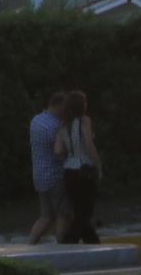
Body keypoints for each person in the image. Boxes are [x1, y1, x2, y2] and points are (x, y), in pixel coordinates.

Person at [56, 89, 103, 245]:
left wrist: (70, 151)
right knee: (86, 211)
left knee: (79, 210)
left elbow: (58, 150)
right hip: (85, 169)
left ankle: (92, 241)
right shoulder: (84, 121)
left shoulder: (64, 125)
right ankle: (69, 241)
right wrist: (98, 164)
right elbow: (89, 144)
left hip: (69, 170)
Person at [27, 89, 68, 243]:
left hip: (39, 176)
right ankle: (62, 244)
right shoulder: (56, 126)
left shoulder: (36, 120)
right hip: (55, 176)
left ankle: (31, 243)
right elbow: (61, 151)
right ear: (58, 106)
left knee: (46, 216)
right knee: (62, 214)